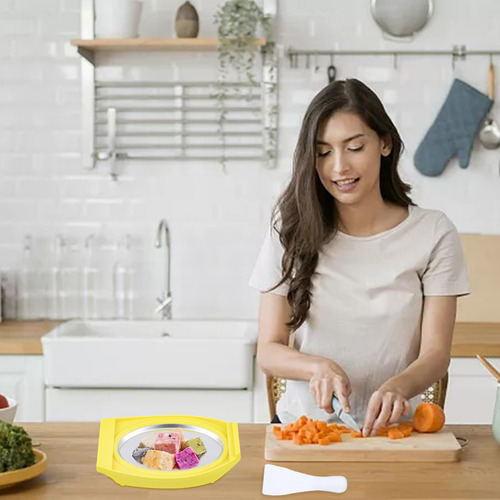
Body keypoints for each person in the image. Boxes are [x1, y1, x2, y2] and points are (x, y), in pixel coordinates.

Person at [249, 79, 470, 437]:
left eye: (353, 147)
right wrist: (316, 367)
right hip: (306, 432)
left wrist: (399, 386)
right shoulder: (290, 230)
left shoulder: (433, 233)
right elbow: (269, 351)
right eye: (323, 152)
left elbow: (436, 353)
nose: (338, 168)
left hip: (395, 434)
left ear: (384, 143)